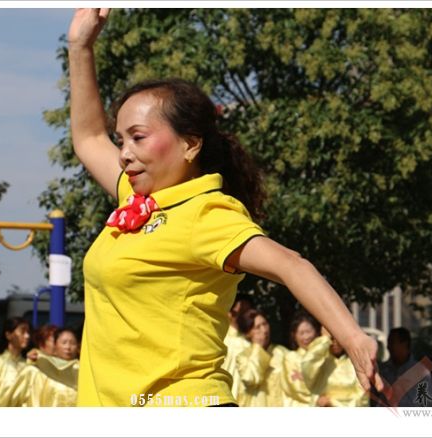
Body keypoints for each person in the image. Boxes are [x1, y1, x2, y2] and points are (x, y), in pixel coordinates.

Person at [67, 8, 383, 407]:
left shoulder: (207, 213)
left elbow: (291, 265)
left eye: (138, 137)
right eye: (122, 140)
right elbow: (89, 137)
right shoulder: (136, 202)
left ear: (190, 144)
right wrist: (80, 47)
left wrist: (354, 339)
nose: (124, 154)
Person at [9, 325, 80, 407]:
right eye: (64, 343)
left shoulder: (81, 369)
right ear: (55, 345)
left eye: (73, 343)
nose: (68, 347)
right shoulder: (38, 370)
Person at [302, 327, 369, 407]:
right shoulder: (320, 362)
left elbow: (363, 397)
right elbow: (307, 366)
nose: (335, 343)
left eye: (338, 338)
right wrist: (325, 339)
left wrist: (333, 403)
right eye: (332, 338)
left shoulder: (355, 364)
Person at [235, 309, 288, 406]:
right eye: (257, 327)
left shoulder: (282, 352)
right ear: (248, 333)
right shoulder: (243, 356)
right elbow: (250, 378)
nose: (264, 330)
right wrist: (259, 348)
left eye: (265, 324)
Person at [377, 327, 432, 407]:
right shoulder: (382, 370)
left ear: (404, 343)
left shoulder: (421, 372)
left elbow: (427, 402)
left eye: (392, 342)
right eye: (388, 342)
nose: (388, 347)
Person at [279, 310, 322, 406]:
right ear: (294, 336)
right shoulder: (290, 358)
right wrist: (318, 398)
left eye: (308, 331)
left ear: (316, 332)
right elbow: (296, 388)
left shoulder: (323, 355)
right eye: (301, 333)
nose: (306, 337)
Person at [222, 294, 253, 400]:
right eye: (240, 311)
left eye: (247, 311)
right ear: (230, 313)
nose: (244, 315)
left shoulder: (252, 343)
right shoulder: (220, 337)